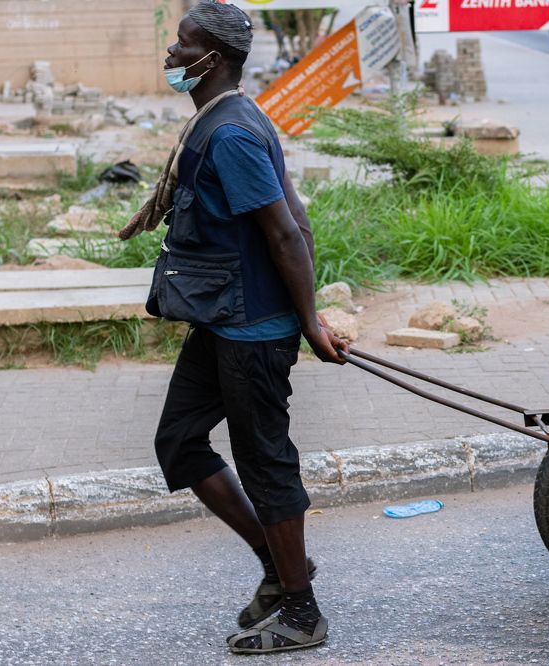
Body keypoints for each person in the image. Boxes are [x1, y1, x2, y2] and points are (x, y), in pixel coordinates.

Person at [119, 0, 348, 654]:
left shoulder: (233, 133)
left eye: (181, 43)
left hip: (253, 329)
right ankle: (280, 571)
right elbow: (285, 216)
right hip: (224, 318)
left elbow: (286, 232)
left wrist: (310, 323)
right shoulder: (220, 119)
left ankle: (302, 612)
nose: (170, 52)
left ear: (210, 60)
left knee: (266, 465)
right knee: (180, 442)